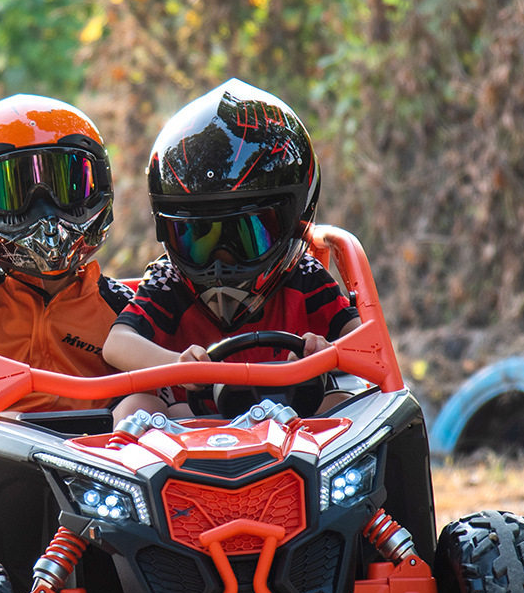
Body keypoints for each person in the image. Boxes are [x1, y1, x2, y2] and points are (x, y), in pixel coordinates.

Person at [103, 79, 360, 420]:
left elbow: (365, 344)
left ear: (292, 220)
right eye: (200, 237)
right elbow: (117, 344)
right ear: (167, 230)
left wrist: (325, 353)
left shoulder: (305, 276)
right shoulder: (169, 281)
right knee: (136, 407)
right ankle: (126, 474)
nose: (221, 260)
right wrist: (179, 366)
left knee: (351, 403)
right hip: (190, 435)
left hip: (296, 428)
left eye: (246, 234)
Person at [0, 93, 132, 415]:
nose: (44, 212)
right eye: (12, 191)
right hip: (5, 451)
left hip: (105, 452)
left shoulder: (120, 306)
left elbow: (154, 398)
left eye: (65, 186)